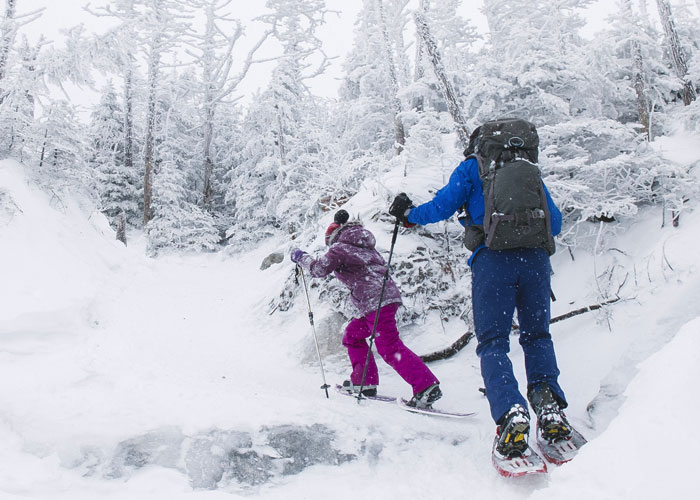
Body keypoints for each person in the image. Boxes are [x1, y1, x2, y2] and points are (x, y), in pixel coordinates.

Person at [389, 121, 571, 459]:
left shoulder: (471, 168)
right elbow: (555, 222)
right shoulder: (528, 170)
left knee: (493, 342)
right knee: (537, 336)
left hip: (493, 262)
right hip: (535, 262)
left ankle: (511, 413)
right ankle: (550, 409)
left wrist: (409, 215)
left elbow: (442, 207)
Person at [290, 209, 441, 408]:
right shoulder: (365, 246)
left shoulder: (340, 248)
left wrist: (301, 257)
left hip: (375, 302)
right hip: (384, 299)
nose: (330, 247)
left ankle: (426, 387)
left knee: (389, 347)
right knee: (352, 334)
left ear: (333, 237)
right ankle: (364, 381)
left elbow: (318, 269)